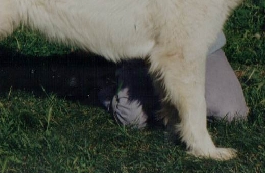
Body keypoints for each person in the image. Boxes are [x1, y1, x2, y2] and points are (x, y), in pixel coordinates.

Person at [99, 32, 249, 128]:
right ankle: (108, 77)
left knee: (232, 113)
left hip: (201, 49)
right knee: (132, 118)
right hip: (143, 55)